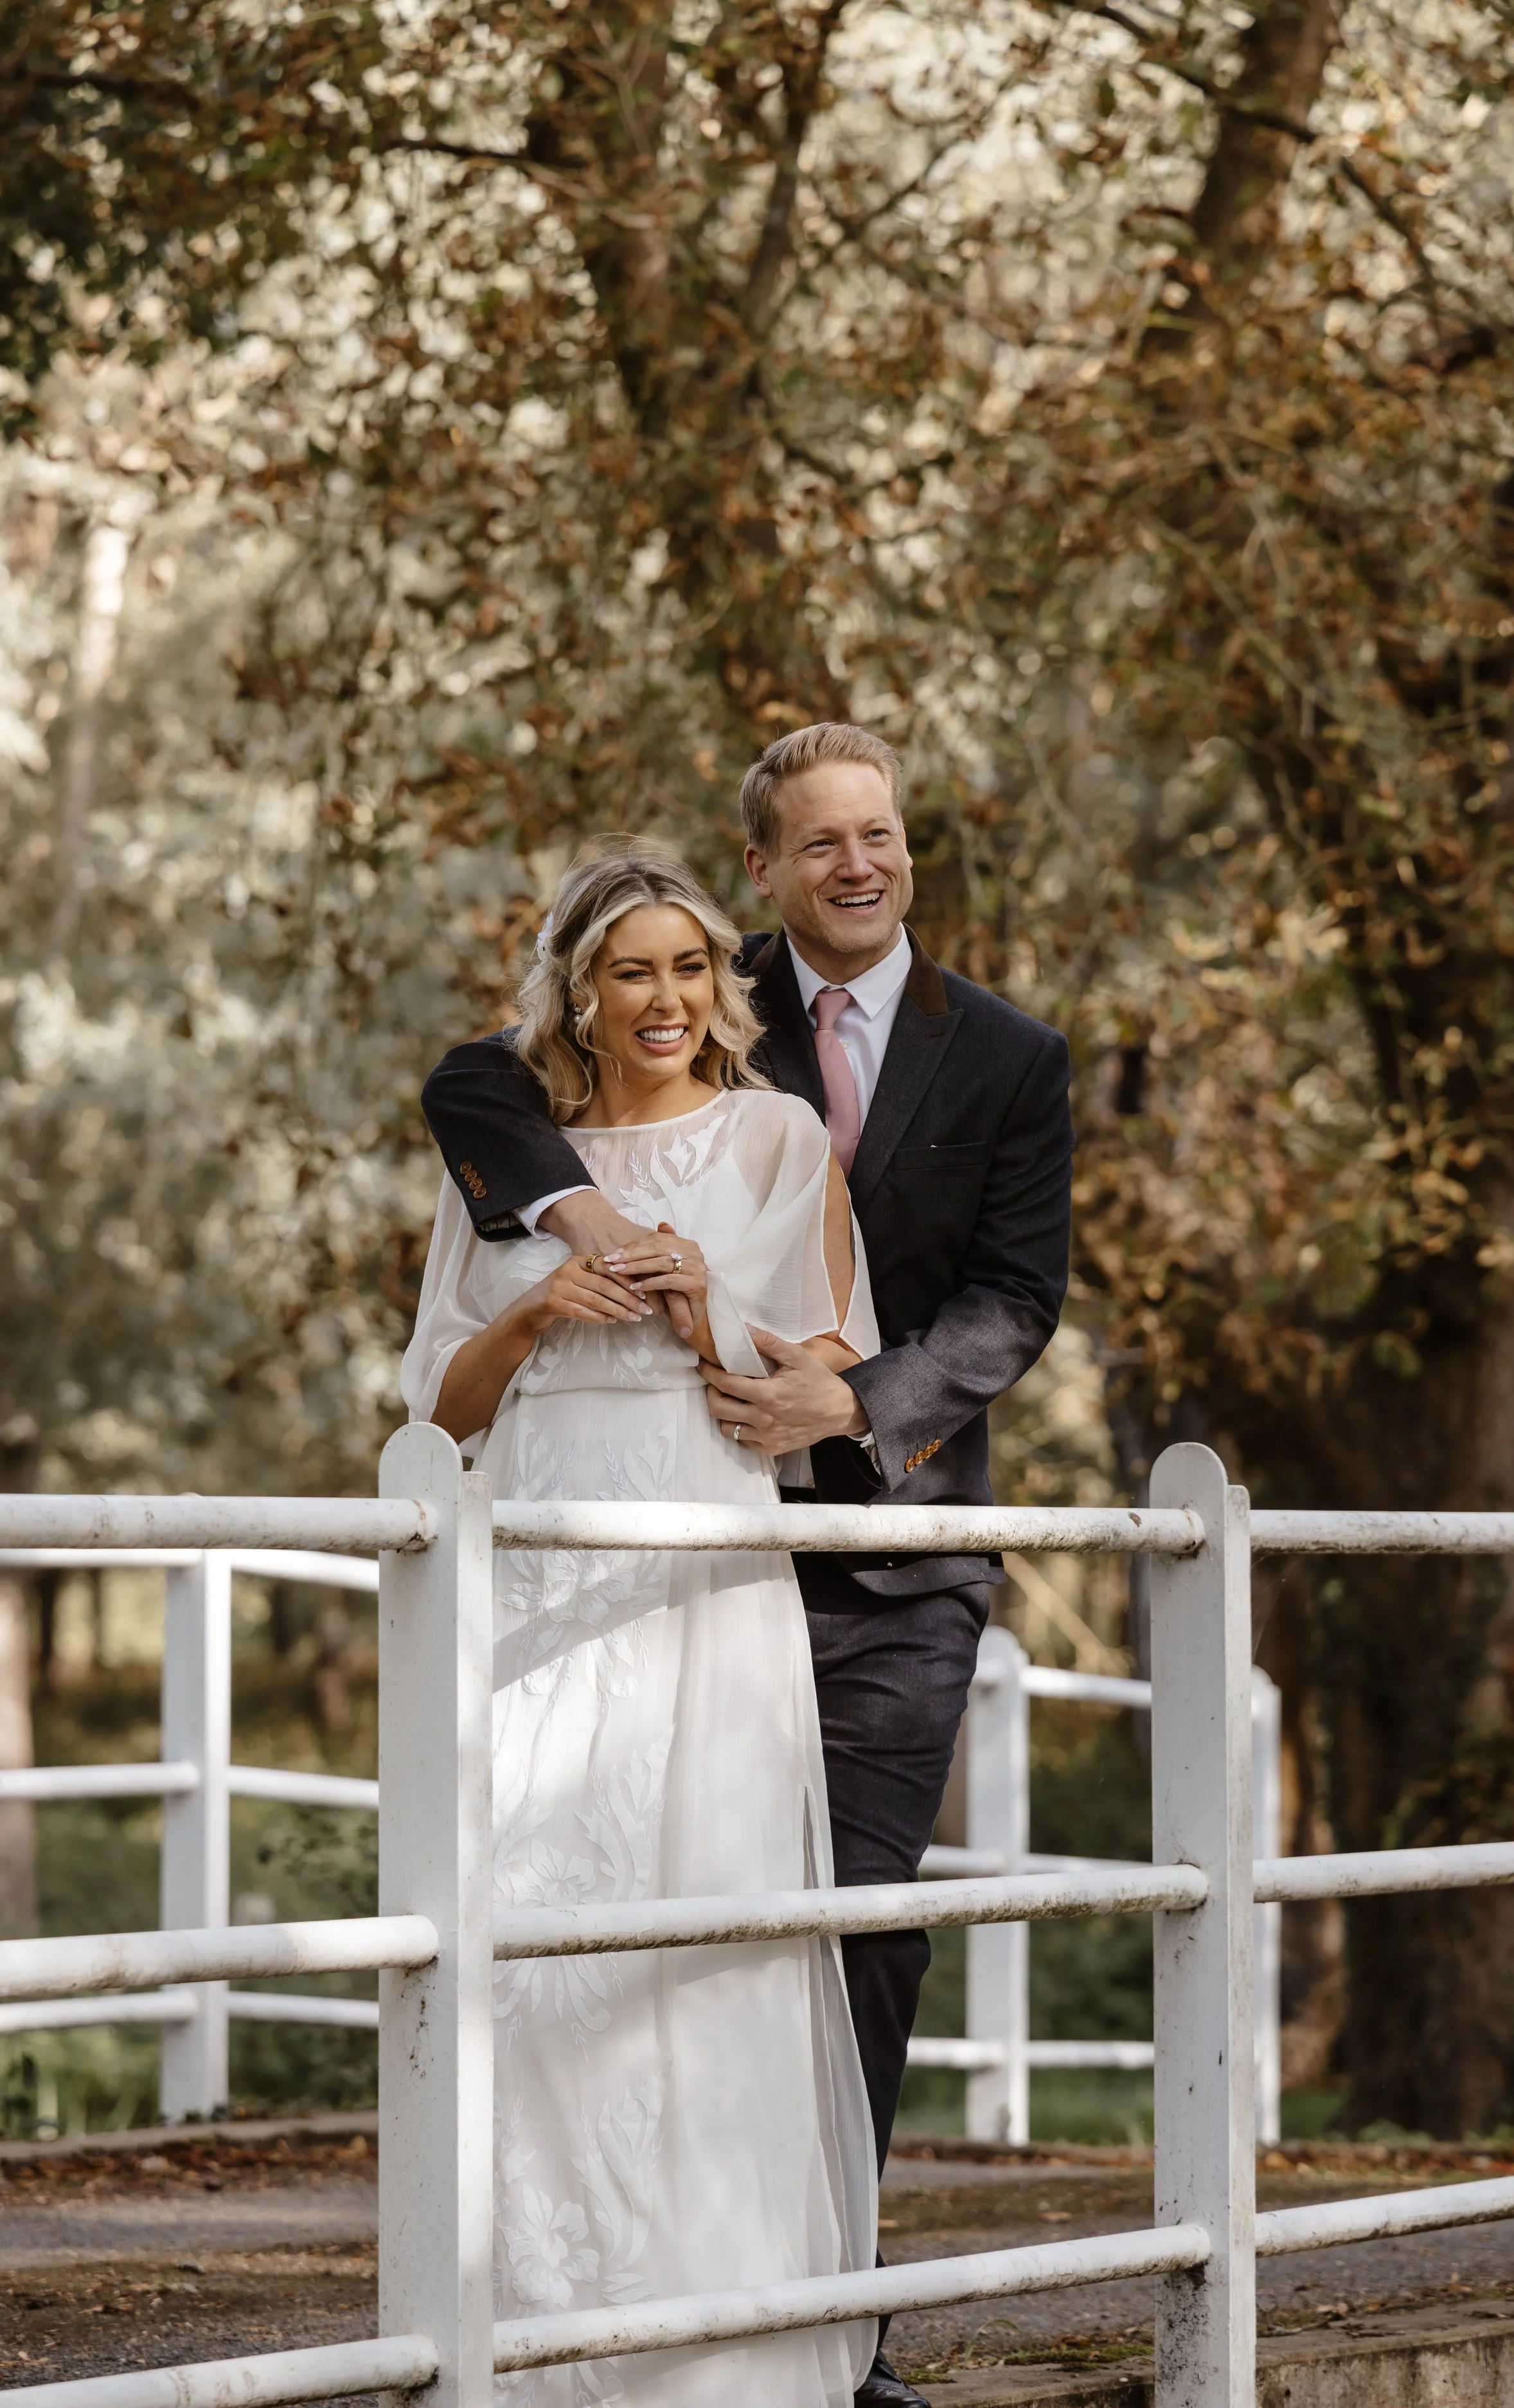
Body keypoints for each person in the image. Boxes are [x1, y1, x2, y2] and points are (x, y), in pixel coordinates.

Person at [422, 725, 1075, 2408]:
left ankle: (809, 2330)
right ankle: (578, 2309)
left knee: (839, 1932)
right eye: (821, 842)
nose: (858, 862)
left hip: (887, 1546)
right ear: (767, 874)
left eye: (883, 832)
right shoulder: (706, 993)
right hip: (646, 1536)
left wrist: (846, 1396)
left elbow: (1009, 1302)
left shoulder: (1003, 1052)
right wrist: (578, 1231)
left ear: (904, 847)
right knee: (590, 1921)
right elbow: (476, 1083)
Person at [402, 842, 879, 2407]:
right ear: (580, 993)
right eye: (631, 972)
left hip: (696, 1560)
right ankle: (528, 2342)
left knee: (704, 1920)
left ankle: (712, 2349)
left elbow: (806, 1379)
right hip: (538, 1568)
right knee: (535, 1928)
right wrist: (540, 1305)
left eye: (688, 967)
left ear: (718, 988)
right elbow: (439, 1415)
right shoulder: (513, 1158)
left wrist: (696, 1301)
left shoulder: (773, 1136)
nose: (665, 997)